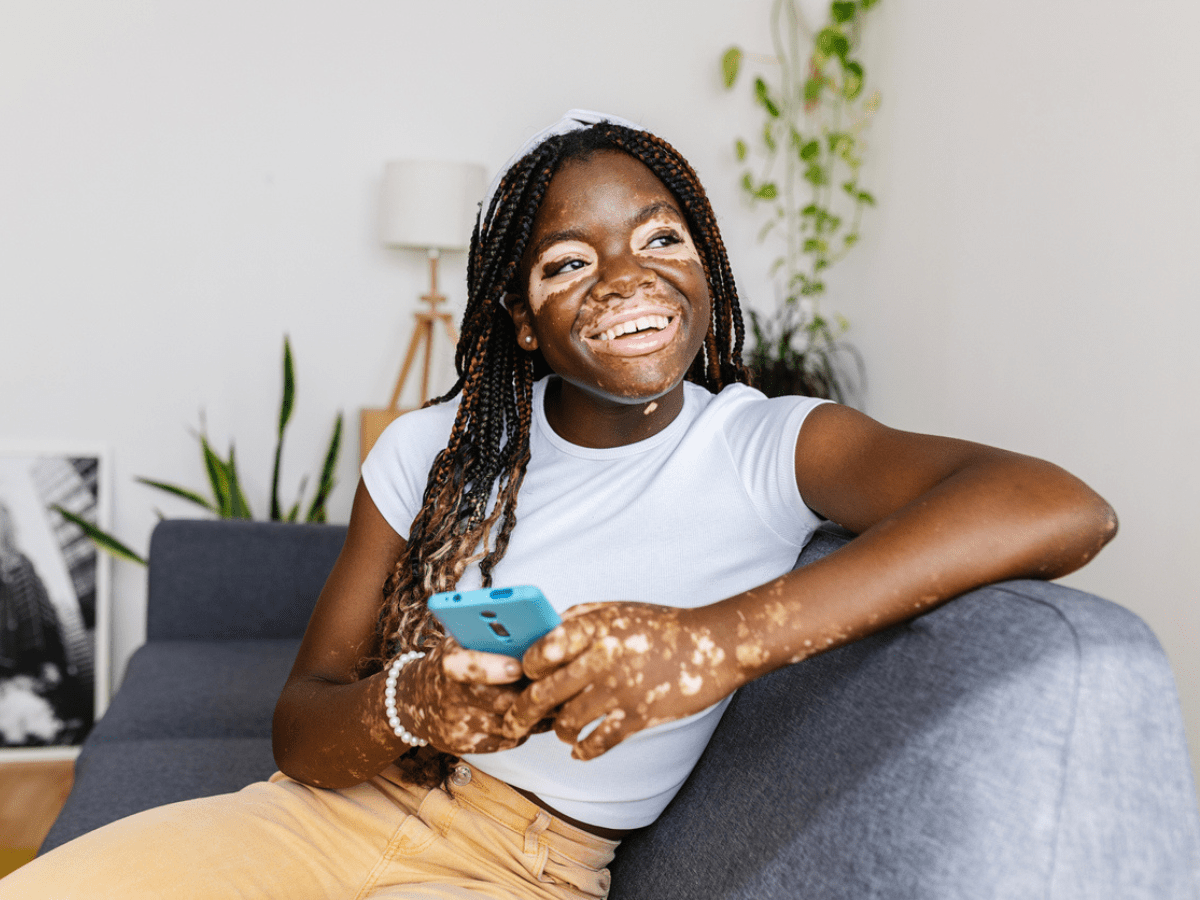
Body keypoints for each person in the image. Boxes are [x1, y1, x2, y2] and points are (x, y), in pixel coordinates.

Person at [1, 110, 1116, 899]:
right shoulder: (430, 450)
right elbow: (303, 729)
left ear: (706, 274)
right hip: (323, 818)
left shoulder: (766, 443)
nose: (627, 275)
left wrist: (710, 644)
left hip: (521, 868)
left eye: (662, 238)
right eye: (569, 262)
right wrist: (416, 704)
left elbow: (1059, 507)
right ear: (523, 322)